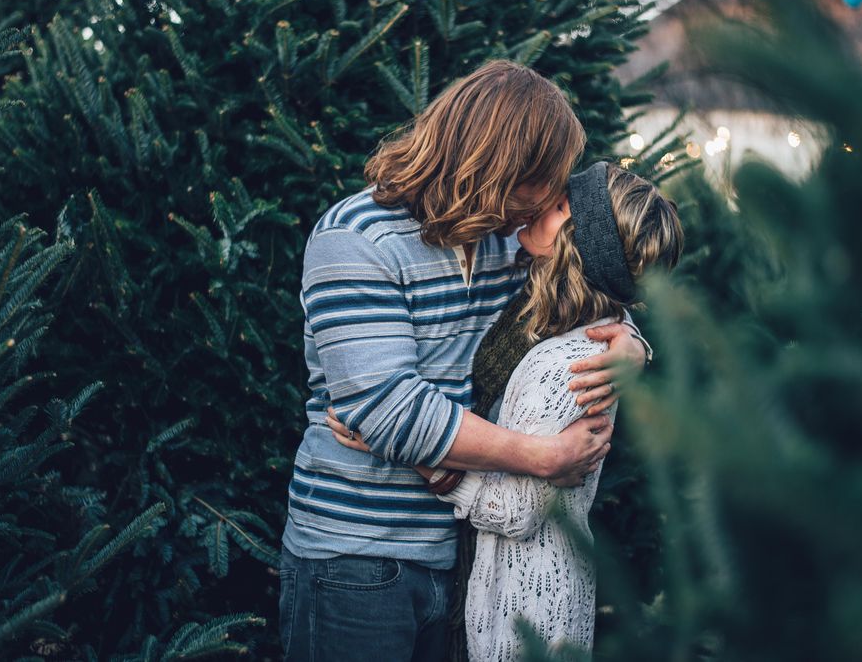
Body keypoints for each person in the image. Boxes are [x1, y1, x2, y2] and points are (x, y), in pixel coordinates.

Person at [278, 61, 651, 662]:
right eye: (543, 182)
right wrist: (540, 456)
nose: (552, 199)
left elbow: (588, 285)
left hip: (460, 553)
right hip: (357, 558)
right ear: (498, 167)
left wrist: (632, 344)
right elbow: (391, 412)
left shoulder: (505, 239)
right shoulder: (355, 239)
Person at [335, 161, 684, 661]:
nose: (543, 205)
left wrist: (404, 447)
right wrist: (634, 341)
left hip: (528, 603)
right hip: (493, 581)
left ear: (581, 248)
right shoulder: (542, 304)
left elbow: (517, 511)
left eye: (561, 207)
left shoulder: (571, 362)